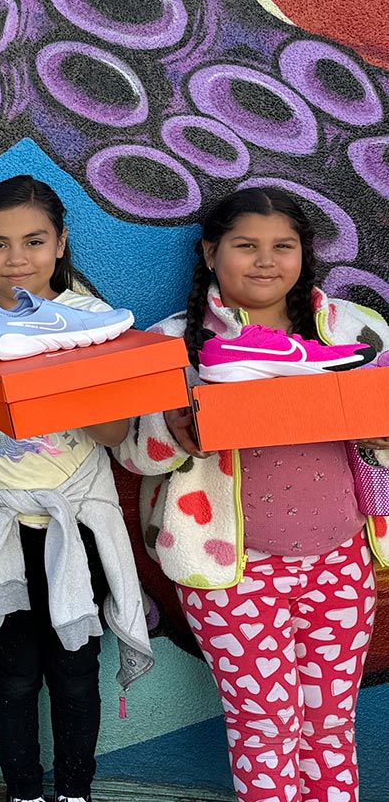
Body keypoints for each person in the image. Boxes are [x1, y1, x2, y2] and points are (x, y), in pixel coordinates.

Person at [118, 187, 389, 802]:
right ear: (211, 253)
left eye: (282, 247)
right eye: (246, 246)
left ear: (303, 255)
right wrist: (176, 433)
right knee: (264, 730)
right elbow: (132, 453)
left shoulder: (356, 329)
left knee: (330, 728)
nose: (265, 260)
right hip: (231, 573)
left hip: (341, 561)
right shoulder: (172, 344)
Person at [0, 175, 152, 802]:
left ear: (60, 244)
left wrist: (53, 362)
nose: (17, 259)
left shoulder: (95, 324)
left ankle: (76, 791)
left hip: (76, 525)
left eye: (33, 242)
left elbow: (113, 433)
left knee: (78, 672)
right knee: (14, 674)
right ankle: (24, 791)